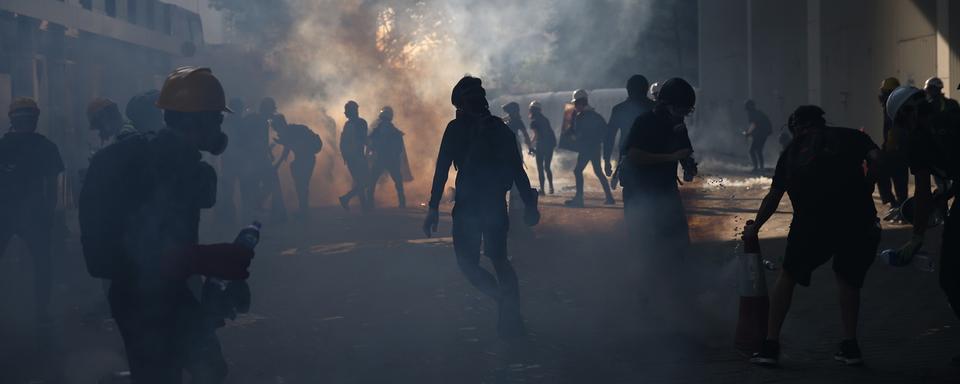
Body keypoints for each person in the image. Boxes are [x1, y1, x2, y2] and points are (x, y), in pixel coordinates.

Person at [79, 67, 254, 384]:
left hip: (160, 292)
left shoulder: (160, 158)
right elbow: (141, 248)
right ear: (195, 121)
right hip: (144, 298)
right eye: (215, 118)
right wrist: (202, 259)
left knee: (208, 367)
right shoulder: (167, 165)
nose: (220, 126)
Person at [745, 105, 881, 367]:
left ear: (796, 127)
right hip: (857, 220)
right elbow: (879, 159)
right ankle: (851, 346)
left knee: (788, 276)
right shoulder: (852, 136)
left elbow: (774, 197)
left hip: (811, 224)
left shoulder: (791, 152)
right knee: (848, 281)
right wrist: (870, 181)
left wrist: (756, 227)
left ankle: (770, 346)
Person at [423, 76, 540, 339]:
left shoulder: (455, 129)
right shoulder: (500, 128)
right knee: (499, 260)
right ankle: (512, 316)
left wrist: (432, 208)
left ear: (461, 104)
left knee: (468, 264)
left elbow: (442, 170)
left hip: (468, 207)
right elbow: (517, 171)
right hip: (495, 205)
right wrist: (530, 205)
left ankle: (502, 302)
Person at [886, 85, 960, 364]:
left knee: (951, 277)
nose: (903, 128)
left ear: (907, 113)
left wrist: (916, 237)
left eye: (902, 122)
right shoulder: (952, 116)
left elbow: (922, 191)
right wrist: (948, 194)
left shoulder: (918, 138)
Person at [0, 97, 64, 324]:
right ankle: (42, 310)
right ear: (35, 119)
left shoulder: (2, 146)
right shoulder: (46, 147)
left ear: (12, 120)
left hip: (4, 214)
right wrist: (49, 213)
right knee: (42, 263)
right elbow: (52, 187)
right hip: (35, 214)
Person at [564, 89, 615, 207]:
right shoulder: (595, 115)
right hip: (595, 148)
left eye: (576, 104)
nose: (575, 106)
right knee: (598, 171)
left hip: (586, 148)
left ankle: (579, 199)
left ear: (582, 103)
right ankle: (609, 197)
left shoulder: (581, 116)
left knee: (577, 171)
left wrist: (570, 133)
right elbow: (605, 131)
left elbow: (577, 134)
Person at [608, 75, 655, 186]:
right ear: (646, 89)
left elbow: (609, 137)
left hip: (628, 159)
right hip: (654, 161)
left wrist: (606, 160)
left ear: (628, 90)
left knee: (630, 195)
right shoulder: (656, 108)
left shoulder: (619, 109)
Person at [247, 97, 287, 222]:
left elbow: (260, 142)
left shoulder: (258, 120)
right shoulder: (261, 122)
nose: (272, 113)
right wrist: (267, 154)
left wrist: (269, 152)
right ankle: (260, 205)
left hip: (257, 157)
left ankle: (258, 207)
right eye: (271, 110)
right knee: (272, 183)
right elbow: (259, 141)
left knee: (264, 183)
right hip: (259, 158)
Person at [875, 77, 909, 221]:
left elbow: (896, 129)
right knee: (893, 175)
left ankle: (900, 205)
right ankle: (898, 204)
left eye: (884, 91)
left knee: (891, 175)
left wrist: (891, 146)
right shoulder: (890, 104)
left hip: (896, 148)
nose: (881, 95)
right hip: (893, 147)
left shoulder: (895, 106)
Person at [273, 123, 322, 219]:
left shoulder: (290, 132)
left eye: (276, 129)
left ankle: (303, 212)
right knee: (303, 186)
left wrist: (278, 164)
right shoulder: (294, 130)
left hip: (303, 161)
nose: (277, 132)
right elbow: (288, 147)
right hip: (309, 160)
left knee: (301, 186)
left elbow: (289, 147)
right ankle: (304, 210)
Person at [367, 106, 409, 209]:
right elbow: (399, 148)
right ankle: (402, 202)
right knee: (398, 182)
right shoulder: (393, 131)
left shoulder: (378, 130)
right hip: (391, 160)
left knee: (372, 181)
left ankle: (370, 203)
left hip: (382, 159)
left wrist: (372, 153)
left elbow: (371, 144)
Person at [217, 97, 247, 225]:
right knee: (238, 191)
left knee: (231, 191)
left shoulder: (225, 122)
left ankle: (231, 219)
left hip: (233, 161)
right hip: (234, 161)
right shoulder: (238, 123)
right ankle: (234, 219)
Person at [338, 101, 370, 211]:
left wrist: (345, 156)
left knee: (360, 182)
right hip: (358, 157)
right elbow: (364, 139)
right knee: (366, 182)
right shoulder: (361, 123)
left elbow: (342, 142)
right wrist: (372, 147)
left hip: (350, 158)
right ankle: (346, 198)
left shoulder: (347, 125)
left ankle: (364, 207)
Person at [528, 100, 556, 195]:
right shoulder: (545, 119)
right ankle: (551, 188)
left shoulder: (534, 121)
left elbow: (536, 136)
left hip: (541, 145)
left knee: (540, 168)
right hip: (550, 145)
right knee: (547, 167)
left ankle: (543, 190)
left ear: (532, 110)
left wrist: (530, 145)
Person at [744, 99, 773, 173]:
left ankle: (757, 168)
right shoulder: (757, 112)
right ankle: (760, 167)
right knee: (758, 150)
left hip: (761, 134)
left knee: (752, 151)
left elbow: (754, 125)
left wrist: (748, 133)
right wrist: (749, 133)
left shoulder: (753, 113)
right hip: (762, 133)